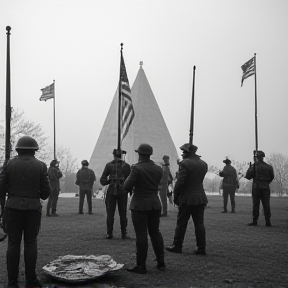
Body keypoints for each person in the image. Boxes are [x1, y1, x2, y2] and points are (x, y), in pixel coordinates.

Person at [0, 136, 50, 288]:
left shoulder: (9, 164)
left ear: (18, 149)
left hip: (13, 207)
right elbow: (45, 193)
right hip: (32, 208)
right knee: (30, 242)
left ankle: (12, 282)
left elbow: (1, 188)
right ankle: (31, 280)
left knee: (13, 243)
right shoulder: (41, 165)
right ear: (34, 150)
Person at [124, 143, 165, 274]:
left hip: (140, 203)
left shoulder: (136, 168)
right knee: (155, 232)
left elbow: (126, 186)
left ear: (139, 154)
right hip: (154, 202)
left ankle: (141, 265)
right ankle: (161, 262)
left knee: (141, 234)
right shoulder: (158, 168)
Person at [166, 143, 208, 255]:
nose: (182, 154)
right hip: (200, 197)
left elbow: (180, 182)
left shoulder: (184, 163)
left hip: (187, 197)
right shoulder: (203, 164)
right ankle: (201, 247)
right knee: (199, 223)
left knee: (181, 223)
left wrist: (176, 197)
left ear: (187, 153)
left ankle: (177, 245)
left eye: (184, 152)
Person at [100, 149, 131, 239]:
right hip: (123, 192)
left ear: (113, 155)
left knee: (110, 214)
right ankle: (123, 233)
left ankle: (109, 233)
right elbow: (130, 180)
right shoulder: (126, 166)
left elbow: (102, 180)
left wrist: (109, 181)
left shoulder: (109, 165)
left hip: (111, 192)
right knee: (123, 213)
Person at [245, 150, 274, 227]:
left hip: (256, 188)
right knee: (266, 204)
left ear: (257, 157)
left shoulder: (254, 166)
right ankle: (268, 221)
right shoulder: (269, 167)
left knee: (256, 204)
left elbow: (248, 177)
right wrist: (266, 183)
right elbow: (271, 177)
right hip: (265, 187)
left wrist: (250, 167)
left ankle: (255, 221)